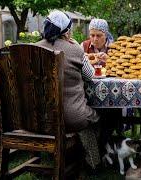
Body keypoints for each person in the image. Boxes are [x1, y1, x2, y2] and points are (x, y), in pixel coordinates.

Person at [35, 10, 101, 169]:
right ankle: (93, 160)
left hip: (38, 118)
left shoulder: (33, 49)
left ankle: (56, 154)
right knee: (96, 117)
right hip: (71, 118)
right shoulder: (75, 49)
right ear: (66, 31)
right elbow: (90, 75)